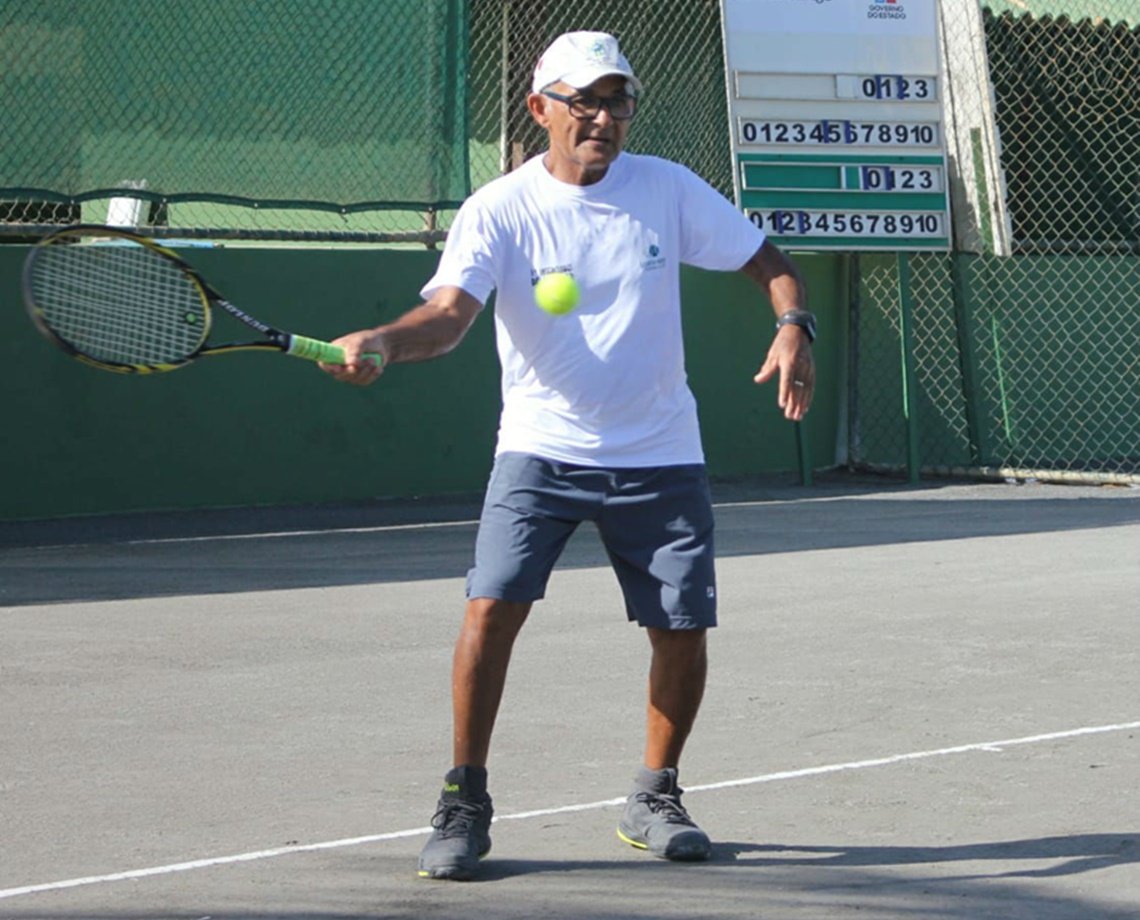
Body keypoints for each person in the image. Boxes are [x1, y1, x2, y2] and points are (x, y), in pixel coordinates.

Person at [321, 30, 816, 880]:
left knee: (683, 625)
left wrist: (794, 324)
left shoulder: (664, 189)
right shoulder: (499, 209)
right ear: (539, 107)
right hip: (541, 451)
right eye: (582, 100)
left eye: (615, 100)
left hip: (660, 452)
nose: (600, 117)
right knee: (489, 612)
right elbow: (446, 317)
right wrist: (385, 342)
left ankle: (655, 794)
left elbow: (765, 259)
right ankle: (462, 801)